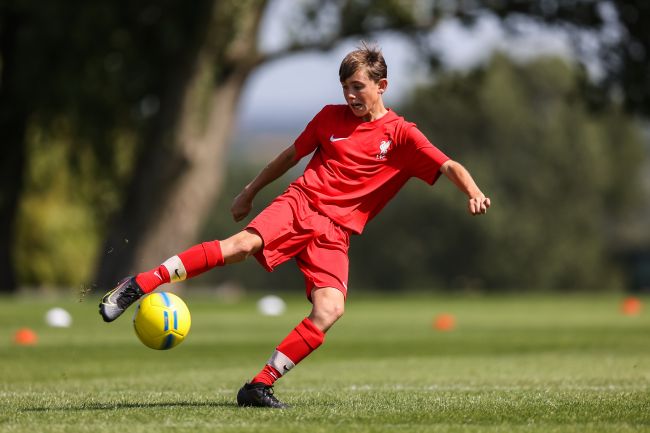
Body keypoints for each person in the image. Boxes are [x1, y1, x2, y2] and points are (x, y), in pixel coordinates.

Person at [99, 42, 491, 409]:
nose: (350, 96)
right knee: (240, 247)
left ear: (381, 85)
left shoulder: (402, 135)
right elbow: (289, 157)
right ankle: (140, 284)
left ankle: (258, 386)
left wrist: (472, 191)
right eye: (345, 88)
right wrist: (249, 192)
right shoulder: (328, 117)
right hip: (300, 205)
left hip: (336, 234)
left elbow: (448, 165)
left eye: (358, 87)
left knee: (330, 310)